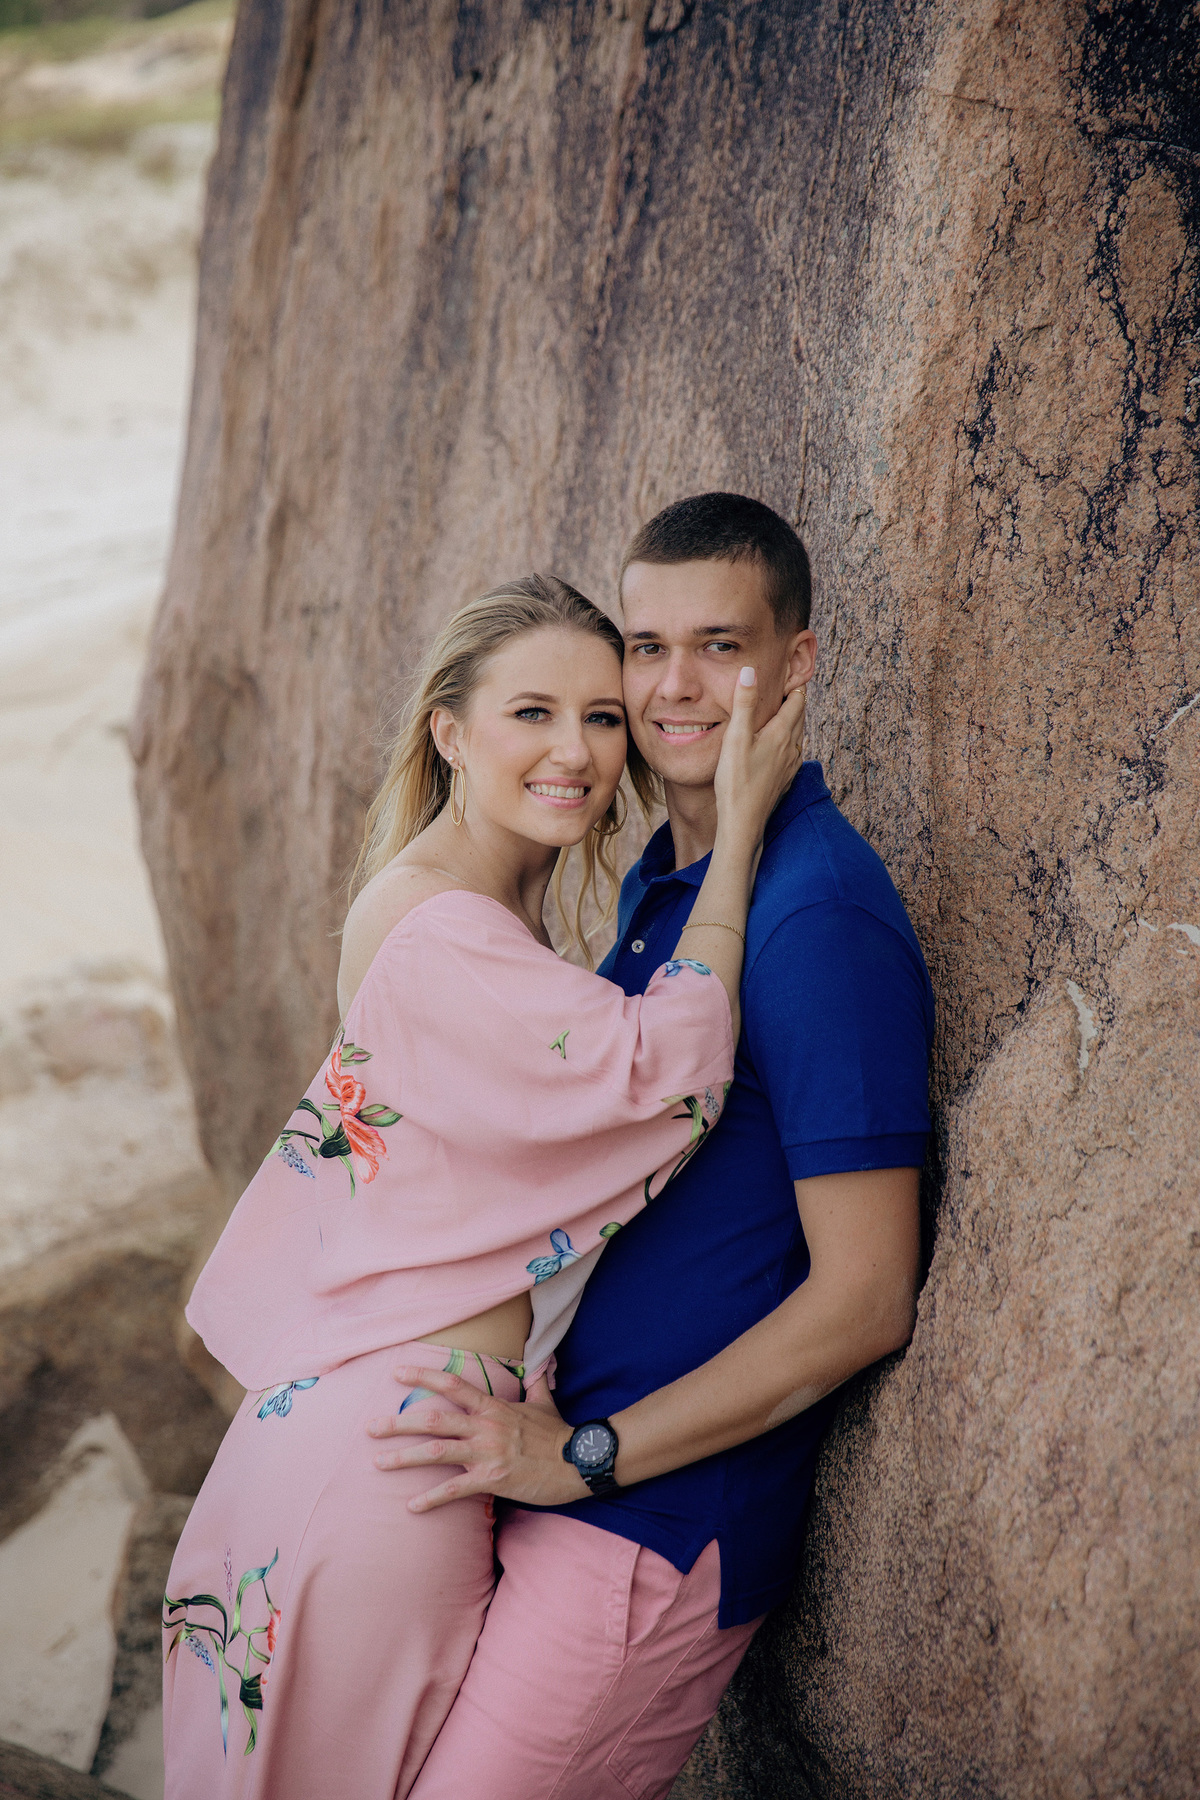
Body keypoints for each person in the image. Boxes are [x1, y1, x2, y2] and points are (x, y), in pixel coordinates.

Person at [160, 573, 805, 1800]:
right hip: (388, 1463)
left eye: (601, 717)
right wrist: (738, 839)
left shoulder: (472, 914)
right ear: (450, 732)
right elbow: (667, 1070)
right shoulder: (441, 930)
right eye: (533, 714)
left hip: (383, 1439)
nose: (576, 751)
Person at [370, 495, 936, 1800]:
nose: (674, 686)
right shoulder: (660, 887)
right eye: (646, 647)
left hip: (651, 1530)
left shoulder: (816, 918)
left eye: (720, 646)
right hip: (554, 1490)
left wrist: (585, 1456)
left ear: (794, 663)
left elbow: (867, 1297)